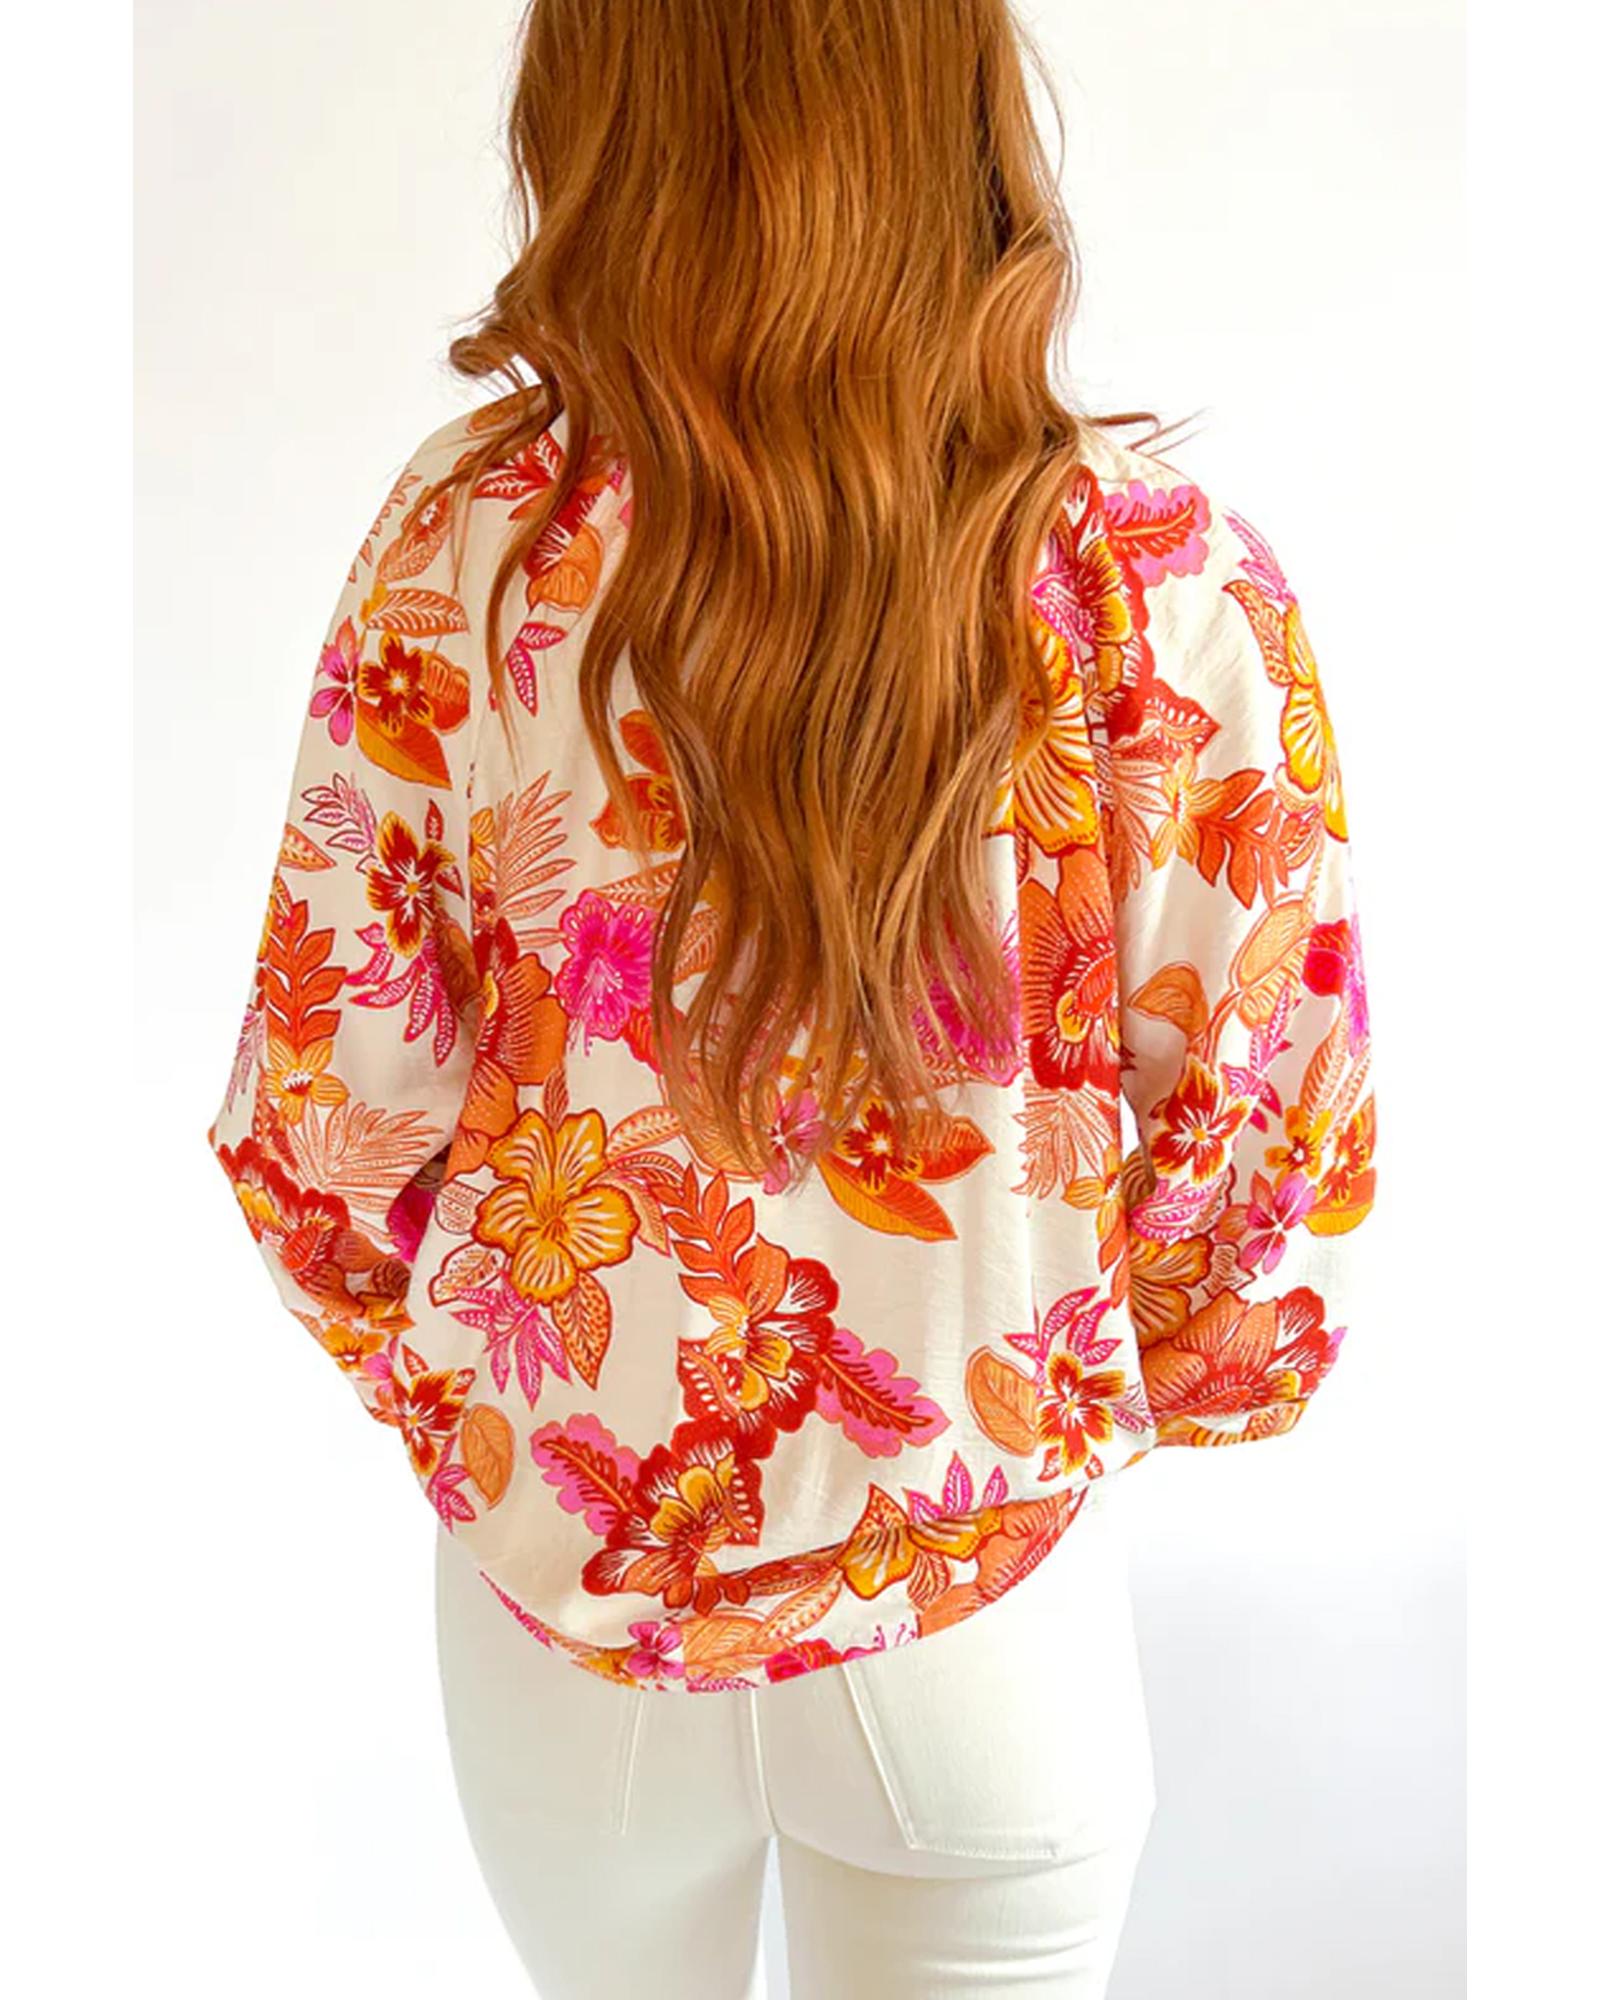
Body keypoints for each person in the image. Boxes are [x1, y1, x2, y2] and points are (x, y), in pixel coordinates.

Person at [205, 2, 1378, 1993]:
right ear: (962, 114)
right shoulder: (1160, 582)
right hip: (983, 1633)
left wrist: (506, 1398)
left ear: (598, 109)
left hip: (569, 1616)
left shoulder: (466, 555)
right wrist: (1077, 1358)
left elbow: (326, 1131)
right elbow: (1265, 1154)